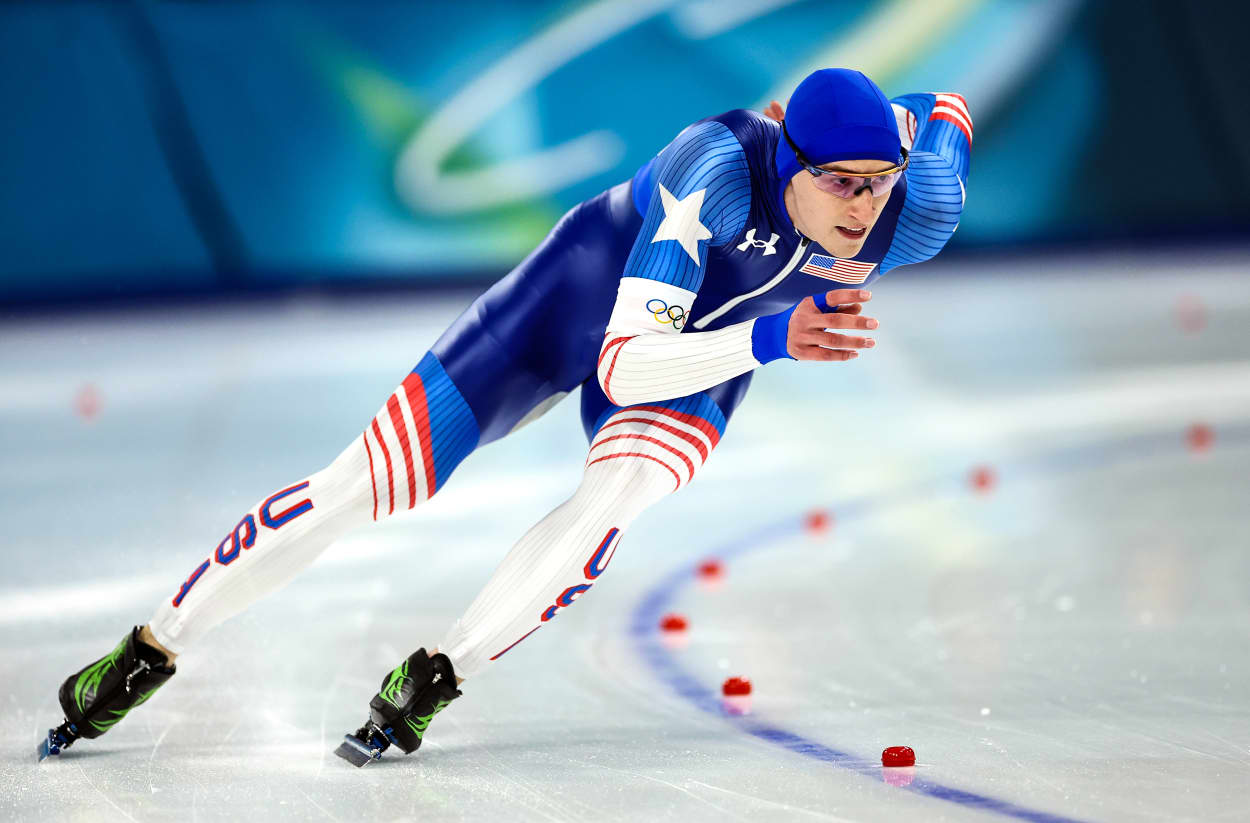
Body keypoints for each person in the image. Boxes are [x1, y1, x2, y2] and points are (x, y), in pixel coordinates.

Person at [41, 67, 971, 764]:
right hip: (575, 305)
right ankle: (146, 652)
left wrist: (912, 140)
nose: (863, 207)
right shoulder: (717, 170)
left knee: (618, 496)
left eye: (878, 181)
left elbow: (943, 118)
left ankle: (432, 678)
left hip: (709, 348)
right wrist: (772, 341)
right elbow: (622, 359)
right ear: (789, 151)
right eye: (841, 182)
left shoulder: (918, 209)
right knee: (362, 485)